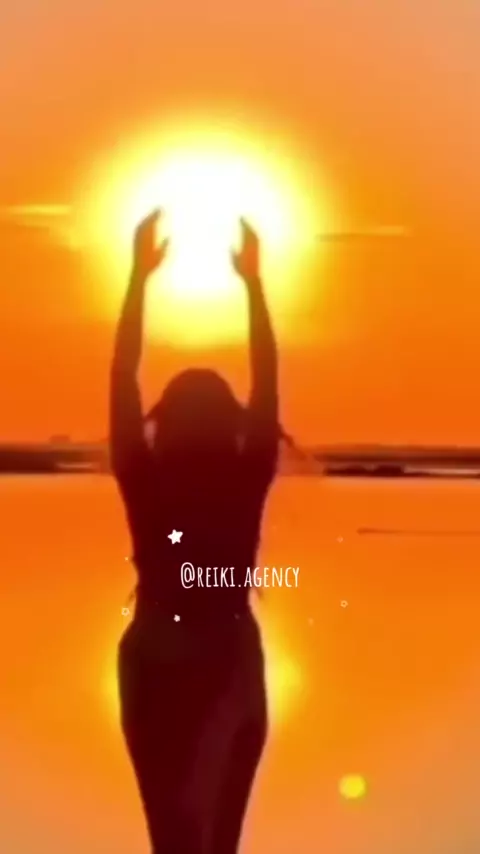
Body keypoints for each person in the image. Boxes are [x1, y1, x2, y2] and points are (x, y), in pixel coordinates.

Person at [110, 209, 279, 854]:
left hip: (160, 652)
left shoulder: (145, 479)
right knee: (215, 842)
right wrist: (253, 286)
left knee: (171, 837)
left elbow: (122, 379)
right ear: (229, 423)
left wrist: (137, 279)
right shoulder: (245, 477)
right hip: (224, 653)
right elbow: (267, 383)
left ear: (166, 422)